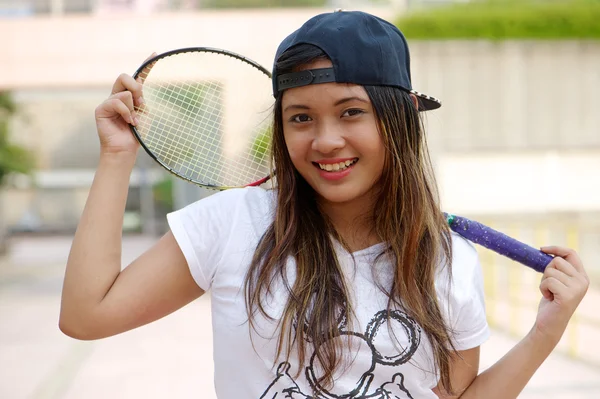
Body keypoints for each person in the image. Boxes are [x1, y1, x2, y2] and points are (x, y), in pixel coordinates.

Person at [59, 10, 589, 399]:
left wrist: (546, 331)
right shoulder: (230, 225)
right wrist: (115, 157)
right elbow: (87, 315)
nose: (325, 140)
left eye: (351, 111)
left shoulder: (449, 260)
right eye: (301, 117)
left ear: (399, 118)